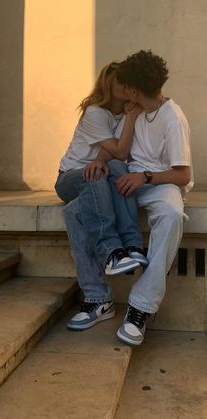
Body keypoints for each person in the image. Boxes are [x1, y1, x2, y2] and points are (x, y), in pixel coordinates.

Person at [64, 50, 193, 345]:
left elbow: (182, 176)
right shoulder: (133, 110)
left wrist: (145, 177)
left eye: (125, 87)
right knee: (74, 211)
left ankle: (140, 307)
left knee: (172, 216)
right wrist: (98, 160)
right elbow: (115, 148)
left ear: (133, 90)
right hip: (127, 179)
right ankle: (98, 299)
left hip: (159, 182)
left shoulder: (172, 117)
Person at [55, 61, 147, 280]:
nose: (126, 85)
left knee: (116, 167)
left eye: (128, 81)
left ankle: (133, 246)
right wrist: (132, 118)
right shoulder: (94, 112)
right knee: (97, 174)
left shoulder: (125, 112)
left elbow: (117, 156)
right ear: (108, 85)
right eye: (120, 82)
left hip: (98, 175)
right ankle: (111, 252)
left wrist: (99, 159)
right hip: (69, 178)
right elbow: (119, 148)